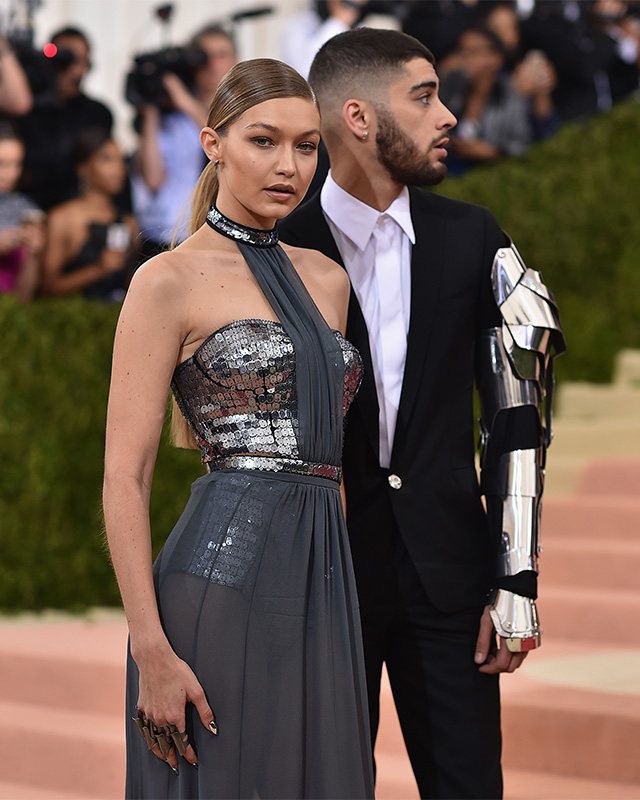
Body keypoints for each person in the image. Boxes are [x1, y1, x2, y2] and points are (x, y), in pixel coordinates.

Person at [280, 27, 565, 799]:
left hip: (450, 579)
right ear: (359, 117)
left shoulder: (473, 236)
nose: (449, 117)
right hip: (317, 579)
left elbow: (516, 420)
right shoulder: (279, 247)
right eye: (425, 97)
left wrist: (517, 580)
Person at [103, 58, 374, 799]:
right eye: (264, 140)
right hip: (218, 588)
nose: (289, 166)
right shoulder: (166, 280)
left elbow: (330, 462)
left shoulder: (328, 278)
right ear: (213, 144)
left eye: (307, 146)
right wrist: (150, 648)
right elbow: (125, 477)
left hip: (322, 580)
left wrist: (338, 586)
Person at [130, 25, 237, 261]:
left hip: (221, 241)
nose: (212, 64)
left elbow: (232, 148)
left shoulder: (246, 113)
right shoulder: (173, 121)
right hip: (167, 237)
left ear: (236, 61)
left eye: (221, 55)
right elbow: (153, 179)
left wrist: (186, 102)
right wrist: (150, 110)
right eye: (204, 57)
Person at [19, 27, 113, 211]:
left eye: (80, 61)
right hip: (27, 209)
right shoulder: (25, 110)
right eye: (65, 59)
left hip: (78, 213)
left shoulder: (97, 114)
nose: (73, 70)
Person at [42, 128, 136, 301]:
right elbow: (47, 287)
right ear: (83, 167)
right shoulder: (62, 218)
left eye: (121, 160)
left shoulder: (129, 222)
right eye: (107, 159)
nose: (119, 168)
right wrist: (98, 269)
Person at [0, 119, 44, 301]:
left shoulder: (25, 210)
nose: (11, 173)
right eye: (2, 163)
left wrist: (34, 253)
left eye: (17, 164)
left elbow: (24, 299)